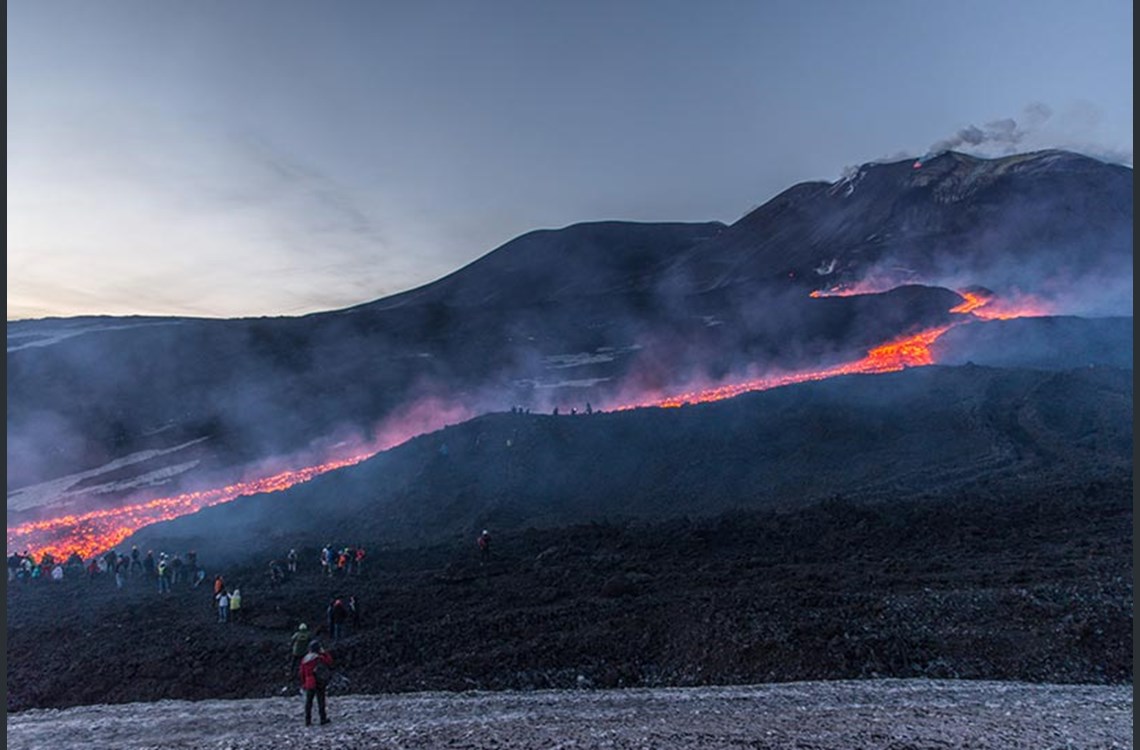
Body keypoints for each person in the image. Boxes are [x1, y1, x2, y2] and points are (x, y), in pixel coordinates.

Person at [298, 640, 333, 726]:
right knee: (321, 700)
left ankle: (308, 720)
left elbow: (301, 672)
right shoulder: (319, 658)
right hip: (319, 681)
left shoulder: (305, 659)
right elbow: (329, 661)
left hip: (309, 682)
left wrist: (303, 682)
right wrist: (324, 653)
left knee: (308, 702)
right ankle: (323, 719)